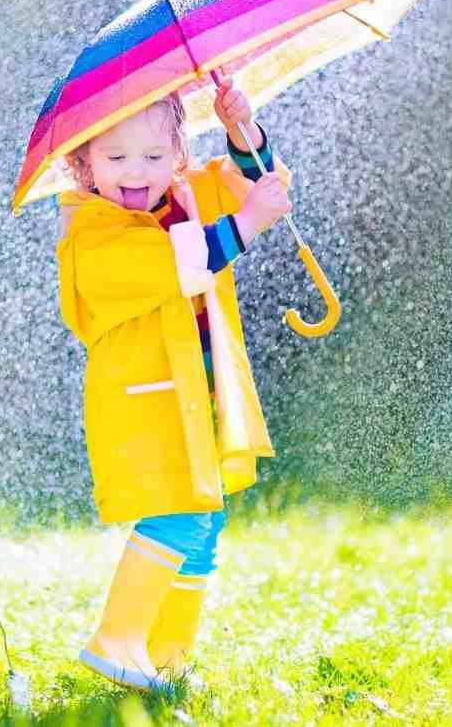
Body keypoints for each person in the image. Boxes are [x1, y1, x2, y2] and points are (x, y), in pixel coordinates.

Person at [55, 76, 292, 692]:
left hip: (203, 398)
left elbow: (261, 185)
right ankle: (117, 638)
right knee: (179, 517)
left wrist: (244, 130)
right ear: (82, 164)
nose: (137, 172)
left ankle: (169, 656)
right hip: (148, 406)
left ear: (179, 157)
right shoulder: (91, 230)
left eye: (155, 156)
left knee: (205, 523)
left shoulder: (186, 194)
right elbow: (180, 265)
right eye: (115, 157)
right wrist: (245, 225)